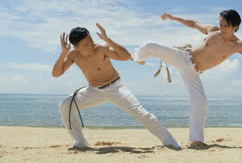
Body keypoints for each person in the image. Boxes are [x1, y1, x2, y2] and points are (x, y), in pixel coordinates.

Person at [133, 10, 242, 146]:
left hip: (194, 72)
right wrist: (173, 18)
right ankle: (137, 57)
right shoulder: (213, 31)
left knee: (201, 105)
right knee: (149, 45)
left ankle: (196, 140)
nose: (221, 28)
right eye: (220, 24)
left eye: (225, 26)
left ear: (235, 27)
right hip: (184, 57)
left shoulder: (239, 46)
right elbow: (194, 24)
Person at [52, 23, 180, 149]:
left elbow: (125, 56)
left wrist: (107, 40)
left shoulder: (102, 49)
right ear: (76, 47)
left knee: (142, 114)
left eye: (90, 40)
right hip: (94, 91)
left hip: (115, 88)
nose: (90, 45)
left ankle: (170, 142)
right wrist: (64, 53)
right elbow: (56, 74)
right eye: (85, 44)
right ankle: (80, 142)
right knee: (65, 106)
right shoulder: (73, 55)